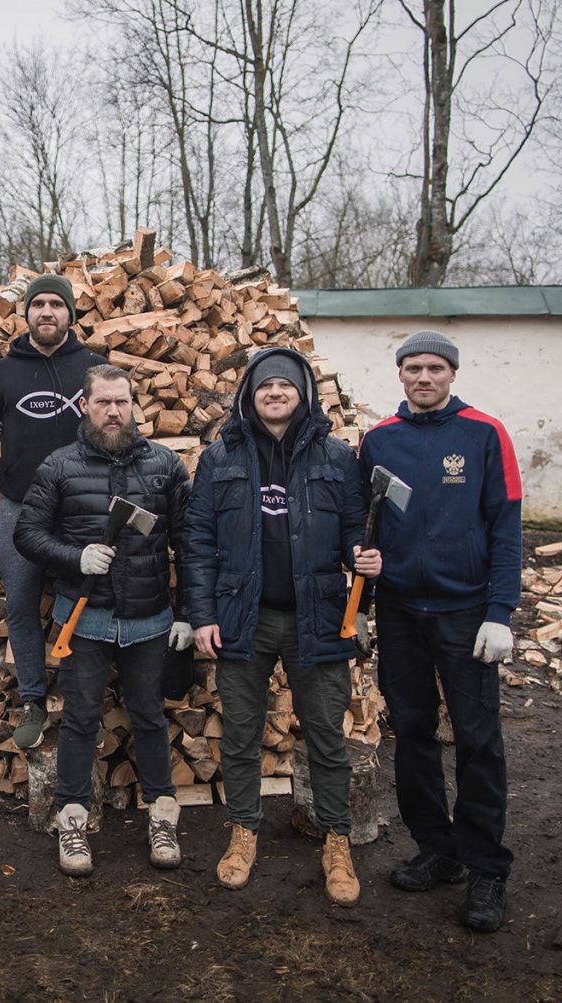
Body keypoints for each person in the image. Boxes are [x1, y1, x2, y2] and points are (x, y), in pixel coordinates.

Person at [183, 347, 381, 907]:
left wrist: (361, 553)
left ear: (303, 394)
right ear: (250, 393)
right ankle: (243, 831)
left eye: (285, 386)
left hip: (317, 616)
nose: (275, 393)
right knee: (242, 734)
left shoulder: (336, 457)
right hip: (241, 615)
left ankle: (336, 838)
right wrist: (202, 614)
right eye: (265, 385)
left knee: (326, 734)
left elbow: (353, 527)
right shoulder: (220, 458)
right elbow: (196, 542)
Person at [359, 330, 521, 932]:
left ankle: (486, 866)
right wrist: (363, 605)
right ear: (399, 375)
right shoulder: (379, 441)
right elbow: (367, 528)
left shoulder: (484, 433)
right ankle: (437, 849)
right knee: (413, 732)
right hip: (401, 611)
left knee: (479, 739)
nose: (423, 377)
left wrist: (501, 612)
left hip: (465, 611)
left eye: (434, 368)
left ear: (451, 374)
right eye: (412, 368)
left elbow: (506, 526)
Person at [15, 365, 193, 876]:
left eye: (121, 402)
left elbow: (192, 543)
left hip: (149, 619)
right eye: (102, 403)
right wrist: (75, 557)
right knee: (79, 720)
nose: (113, 411)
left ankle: (162, 814)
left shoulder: (164, 466)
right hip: (84, 619)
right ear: (85, 406)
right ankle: (72, 818)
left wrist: (188, 612)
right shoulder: (59, 466)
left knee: (150, 717)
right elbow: (27, 533)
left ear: (134, 405)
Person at [0, 275, 106, 749]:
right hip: (19, 507)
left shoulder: (94, 368)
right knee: (21, 607)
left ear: (70, 314)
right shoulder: (2, 373)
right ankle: (33, 702)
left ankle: (83, 702)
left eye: (56, 305)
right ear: (26, 313)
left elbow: (119, 427)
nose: (47, 312)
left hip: (80, 512)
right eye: (38, 304)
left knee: (82, 607)